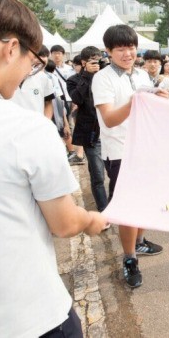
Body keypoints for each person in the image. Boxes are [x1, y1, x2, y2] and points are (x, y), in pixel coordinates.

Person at [0, 0, 107, 337]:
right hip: (26, 317)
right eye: (32, 60)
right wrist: (91, 218)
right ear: (10, 48)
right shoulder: (22, 127)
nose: (29, 71)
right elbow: (65, 223)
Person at [91, 25, 167, 288]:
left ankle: (140, 242)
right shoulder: (102, 78)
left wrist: (158, 96)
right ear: (109, 51)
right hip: (121, 152)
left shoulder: (141, 74)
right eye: (121, 48)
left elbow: (150, 110)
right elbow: (110, 120)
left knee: (146, 200)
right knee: (128, 207)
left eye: (131, 47)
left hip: (146, 149)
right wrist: (137, 98)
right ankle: (129, 258)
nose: (127, 53)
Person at [67, 46, 110, 214]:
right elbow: (77, 98)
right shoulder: (74, 80)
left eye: (98, 60)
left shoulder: (107, 77)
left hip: (111, 130)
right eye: (92, 61)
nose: (96, 64)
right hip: (92, 133)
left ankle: (115, 205)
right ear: (83, 62)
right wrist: (87, 75)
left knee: (115, 171)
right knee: (98, 174)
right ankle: (104, 210)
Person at [10, 44, 55, 119]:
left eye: (44, 56)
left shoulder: (43, 78)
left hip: (36, 126)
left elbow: (48, 103)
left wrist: (46, 122)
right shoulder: (6, 76)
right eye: (37, 56)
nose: (42, 59)